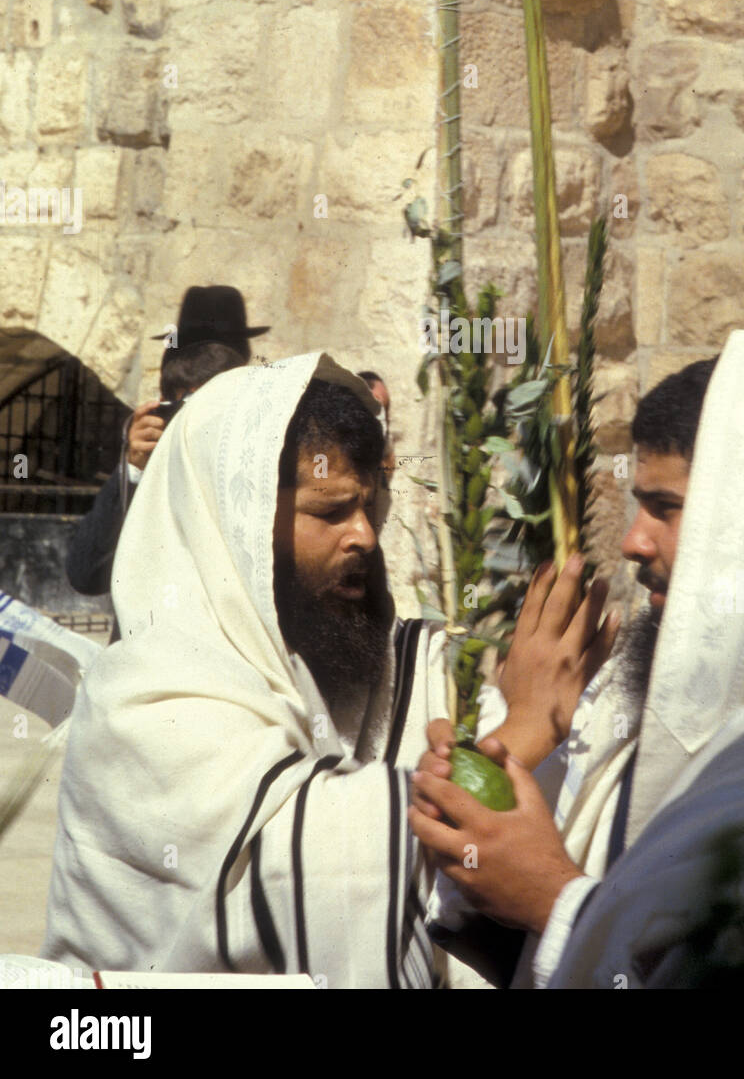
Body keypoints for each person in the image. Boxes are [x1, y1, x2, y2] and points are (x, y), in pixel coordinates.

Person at [42, 352, 616, 986]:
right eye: (330, 511)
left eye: (369, 507)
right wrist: (524, 734)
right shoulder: (143, 700)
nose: (365, 537)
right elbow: (295, 874)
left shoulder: (402, 664)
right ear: (238, 528)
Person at [410, 330, 744, 986]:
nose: (632, 541)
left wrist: (558, 901)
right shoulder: (635, 723)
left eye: (666, 508)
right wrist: (491, 782)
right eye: (637, 505)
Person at [65, 341, 244, 599]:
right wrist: (134, 467)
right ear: (164, 408)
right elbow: (86, 575)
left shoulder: (259, 478)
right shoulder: (153, 478)